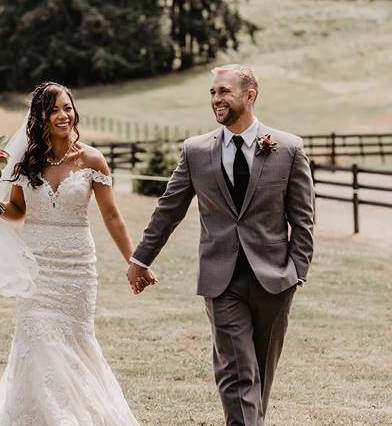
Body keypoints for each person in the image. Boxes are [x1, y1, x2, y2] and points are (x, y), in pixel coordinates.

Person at [127, 64, 314, 426]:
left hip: (274, 280)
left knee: (260, 374)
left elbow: (303, 219)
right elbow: (169, 209)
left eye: (224, 91)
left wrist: (296, 273)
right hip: (221, 280)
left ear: (250, 95)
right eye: (213, 93)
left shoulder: (288, 149)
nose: (216, 99)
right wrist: (140, 258)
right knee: (236, 372)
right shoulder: (196, 151)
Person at [0, 82, 139, 425]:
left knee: (75, 341)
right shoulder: (26, 162)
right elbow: (17, 211)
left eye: (68, 107)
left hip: (77, 266)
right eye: (54, 110)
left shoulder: (93, 159)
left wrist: (134, 261)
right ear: (41, 118)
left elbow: (112, 216)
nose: (64, 115)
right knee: (37, 336)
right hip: (36, 266)